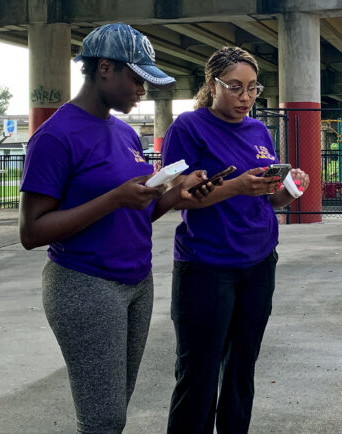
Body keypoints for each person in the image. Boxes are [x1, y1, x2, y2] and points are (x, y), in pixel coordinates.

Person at [19, 23, 219, 433]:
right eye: (136, 78)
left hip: (135, 282)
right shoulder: (56, 136)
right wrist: (115, 197)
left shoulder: (125, 132)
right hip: (84, 284)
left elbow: (136, 211)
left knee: (113, 411)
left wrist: (175, 196)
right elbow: (32, 232)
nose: (143, 90)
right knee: (102, 419)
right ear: (104, 68)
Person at [161, 46, 310, 433]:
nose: (245, 97)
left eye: (252, 89)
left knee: (242, 371)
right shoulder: (188, 127)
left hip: (258, 262)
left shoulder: (259, 130)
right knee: (199, 376)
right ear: (213, 85)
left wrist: (288, 190)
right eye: (235, 87)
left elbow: (267, 198)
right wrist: (238, 185)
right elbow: (182, 197)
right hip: (206, 266)